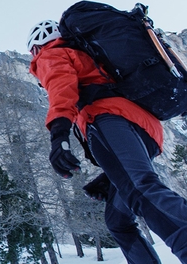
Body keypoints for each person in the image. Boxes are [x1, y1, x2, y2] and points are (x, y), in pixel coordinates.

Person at [27, 20, 187, 264]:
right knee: (118, 221)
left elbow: (61, 88)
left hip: (108, 119)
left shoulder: (51, 54)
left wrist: (58, 136)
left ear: (36, 48)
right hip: (144, 129)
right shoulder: (88, 54)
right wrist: (111, 174)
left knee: (141, 189)